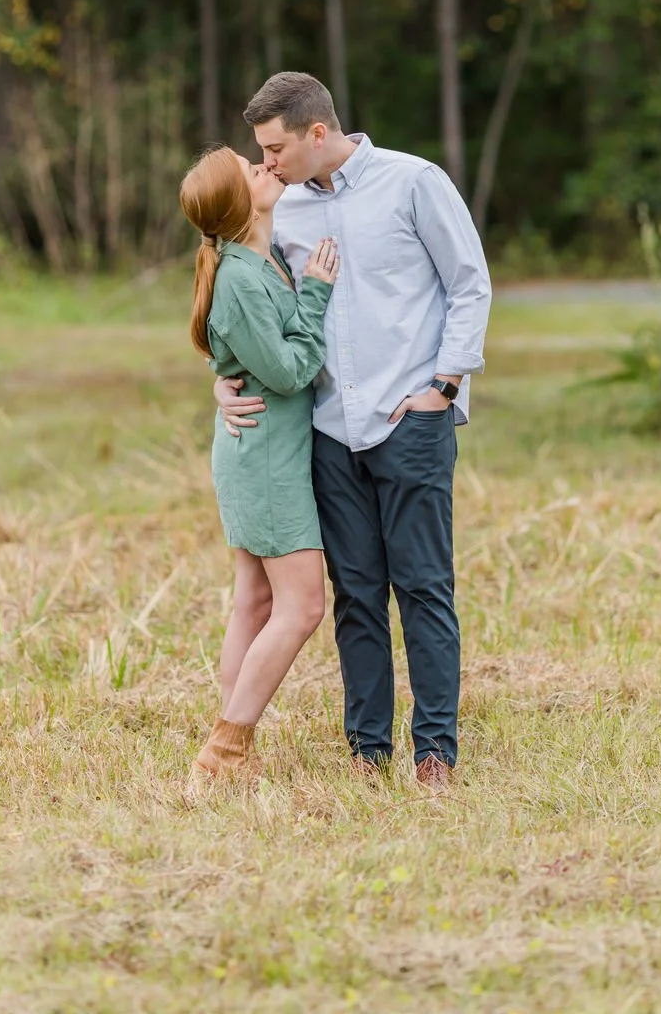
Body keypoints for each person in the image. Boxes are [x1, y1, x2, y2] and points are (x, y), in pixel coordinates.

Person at [215, 73, 492, 790]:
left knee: (425, 587)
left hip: (411, 420)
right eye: (260, 153)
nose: (267, 164)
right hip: (328, 432)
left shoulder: (413, 183)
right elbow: (248, 306)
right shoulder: (284, 213)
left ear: (316, 132)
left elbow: (469, 283)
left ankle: (435, 752)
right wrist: (224, 378)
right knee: (357, 595)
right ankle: (368, 753)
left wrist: (446, 386)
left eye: (275, 148)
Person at [179, 143, 340, 786]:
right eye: (252, 169)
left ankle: (226, 748)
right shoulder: (243, 277)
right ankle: (225, 749)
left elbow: (247, 361)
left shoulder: (257, 257)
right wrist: (318, 295)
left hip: (260, 447)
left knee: (253, 602)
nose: (264, 165)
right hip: (267, 461)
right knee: (301, 607)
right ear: (240, 202)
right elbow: (289, 370)